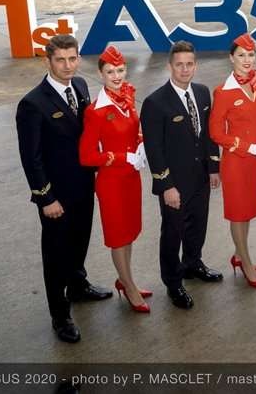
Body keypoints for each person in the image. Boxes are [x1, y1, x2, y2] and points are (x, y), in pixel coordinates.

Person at [16, 33, 111, 344]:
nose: (68, 65)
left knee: (81, 239)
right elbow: (31, 158)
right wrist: (46, 198)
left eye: (72, 58)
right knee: (56, 253)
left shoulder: (80, 86)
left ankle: (78, 286)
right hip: (56, 195)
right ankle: (60, 315)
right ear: (48, 61)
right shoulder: (32, 104)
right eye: (61, 60)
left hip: (84, 184)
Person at [140, 40, 222, 310]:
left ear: (195, 66)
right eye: (179, 65)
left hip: (200, 177)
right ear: (169, 67)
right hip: (174, 183)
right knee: (172, 232)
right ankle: (173, 282)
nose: (185, 69)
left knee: (198, 224)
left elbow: (208, 134)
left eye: (189, 64)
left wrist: (213, 168)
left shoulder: (202, 93)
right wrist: (167, 186)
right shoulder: (155, 103)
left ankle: (193, 264)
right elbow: (154, 150)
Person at [78, 46, 150, 313]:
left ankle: (125, 279)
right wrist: (122, 157)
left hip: (131, 178)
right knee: (118, 236)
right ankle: (129, 287)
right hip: (112, 183)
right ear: (101, 74)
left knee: (129, 232)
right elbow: (87, 156)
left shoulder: (127, 96)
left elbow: (131, 132)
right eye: (110, 72)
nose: (117, 76)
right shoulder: (96, 111)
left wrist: (140, 144)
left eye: (120, 70)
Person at [208, 33, 256, 290]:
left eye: (251, 55)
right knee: (238, 212)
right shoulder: (223, 92)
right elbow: (215, 133)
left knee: (248, 210)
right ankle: (245, 262)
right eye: (241, 55)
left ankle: (239, 254)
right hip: (236, 161)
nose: (247, 60)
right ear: (231, 58)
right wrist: (248, 147)